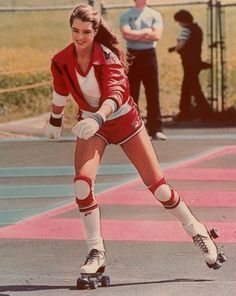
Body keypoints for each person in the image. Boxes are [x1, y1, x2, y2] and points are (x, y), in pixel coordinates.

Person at [47, 4, 224, 276]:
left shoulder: (109, 58)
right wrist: (55, 119)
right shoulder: (61, 59)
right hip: (94, 126)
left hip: (124, 122)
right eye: (75, 30)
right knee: (82, 185)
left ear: (95, 32)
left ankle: (197, 230)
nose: (79, 37)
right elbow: (61, 88)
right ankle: (96, 251)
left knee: (159, 188)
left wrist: (96, 118)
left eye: (85, 32)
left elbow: (115, 94)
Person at [119, 0, 167, 140]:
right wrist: (146, 31)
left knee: (152, 91)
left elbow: (156, 35)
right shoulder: (126, 15)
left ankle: (156, 129)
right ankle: (134, 127)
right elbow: (127, 35)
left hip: (149, 55)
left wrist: (137, 35)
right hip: (132, 55)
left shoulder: (154, 15)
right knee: (132, 92)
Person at [169, 9, 212, 122]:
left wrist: (175, 48)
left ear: (182, 21)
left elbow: (181, 44)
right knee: (188, 87)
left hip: (189, 63)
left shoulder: (186, 30)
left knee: (193, 88)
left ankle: (206, 113)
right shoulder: (197, 29)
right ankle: (186, 112)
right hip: (196, 61)